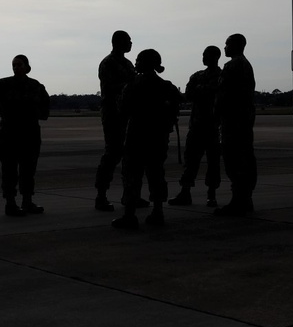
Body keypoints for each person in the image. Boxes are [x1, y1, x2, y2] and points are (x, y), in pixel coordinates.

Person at [112, 49, 182, 229]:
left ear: (144, 62)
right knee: (156, 173)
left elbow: (122, 109)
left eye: (138, 60)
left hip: (137, 136)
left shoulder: (133, 84)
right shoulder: (167, 87)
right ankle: (158, 212)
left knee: (132, 174)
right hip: (158, 137)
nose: (135, 63)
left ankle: (130, 215)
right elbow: (174, 111)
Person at [0, 54, 50, 217]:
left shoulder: (36, 86)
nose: (16, 68)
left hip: (30, 134)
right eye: (14, 65)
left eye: (19, 65)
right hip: (10, 134)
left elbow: (44, 107)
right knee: (9, 171)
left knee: (28, 170)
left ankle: (27, 202)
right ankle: (11, 203)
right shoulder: (4, 84)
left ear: (27, 67)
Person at [94, 30, 144, 212]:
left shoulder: (128, 63)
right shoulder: (108, 63)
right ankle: (101, 196)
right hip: (114, 114)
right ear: (118, 42)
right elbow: (110, 87)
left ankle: (132, 195)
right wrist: (132, 84)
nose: (131, 44)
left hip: (128, 114)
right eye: (128, 41)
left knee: (132, 156)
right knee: (112, 154)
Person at [168, 45, 222, 207]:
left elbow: (216, 92)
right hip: (197, 126)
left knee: (213, 162)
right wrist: (204, 90)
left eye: (207, 55)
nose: (204, 58)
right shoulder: (197, 76)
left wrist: (201, 90)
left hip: (213, 126)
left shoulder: (222, 76)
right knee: (190, 161)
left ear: (215, 57)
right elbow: (189, 95)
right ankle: (185, 193)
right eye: (203, 54)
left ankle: (211, 194)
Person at [214, 33, 257, 217]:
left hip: (233, 119)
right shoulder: (246, 65)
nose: (224, 48)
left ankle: (238, 200)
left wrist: (216, 114)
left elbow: (224, 94)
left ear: (235, 45)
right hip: (244, 119)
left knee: (234, 159)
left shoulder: (232, 65)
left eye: (227, 44)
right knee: (246, 158)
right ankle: (245, 199)